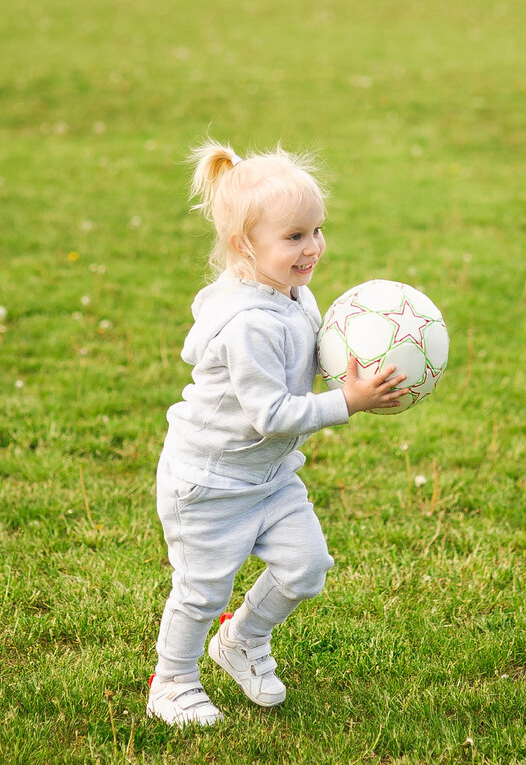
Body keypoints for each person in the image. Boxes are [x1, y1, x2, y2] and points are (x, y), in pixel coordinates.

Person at [146, 139, 407, 726]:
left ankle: (240, 639)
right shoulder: (245, 324)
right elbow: (271, 413)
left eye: (317, 230)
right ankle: (172, 680)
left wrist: (350, 358)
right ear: (245, 246)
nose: (312, 246)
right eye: (294, 237)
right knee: (200, 591)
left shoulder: (296, 296)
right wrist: (348, 401)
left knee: (306, 567)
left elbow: (303, 358)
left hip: (268, 477)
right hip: (208, 482)